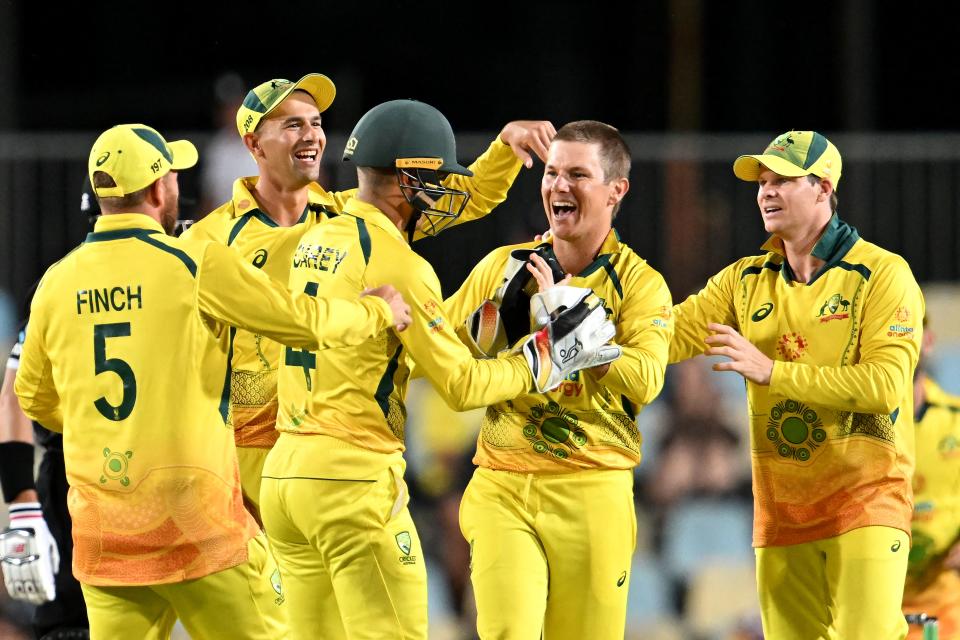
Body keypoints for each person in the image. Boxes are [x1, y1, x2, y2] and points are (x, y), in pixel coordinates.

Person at [13, 123, 411, 639]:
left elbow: (36, 400)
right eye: (174, 176)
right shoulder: (192, 262)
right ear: (159, 189)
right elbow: (301, 322)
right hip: (198, 529)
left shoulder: (56, 282)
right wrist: (374, 312)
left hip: (107, 538)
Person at [259, 100, 618, 640]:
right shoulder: (401, 262)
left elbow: (377, 348)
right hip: (350, 479)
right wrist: (546, 353)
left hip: (285, 474)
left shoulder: (313, 235)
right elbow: (462, 386)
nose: (447, 189)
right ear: (407, 178)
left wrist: (499, 155)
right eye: (438, 177)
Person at [184, 73, 556, 521]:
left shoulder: (349, 215)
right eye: (292, 125)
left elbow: (464, 195)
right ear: (254, 145)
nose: (311, 136)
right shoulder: (209, 242)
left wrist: (504, 145)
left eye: (316, 122)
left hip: (332, 449)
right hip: (248, 455)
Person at [670, 130, 925, 640]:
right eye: (762, 181)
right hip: (782, 512)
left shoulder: (882, 274)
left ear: (824, 187)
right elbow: (664, 336)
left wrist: (773, 372)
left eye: (782, 179)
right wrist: (584, 318)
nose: (765, 191)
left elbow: (883, 385)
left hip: (867, 499)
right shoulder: (744, 280)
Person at [442, 120, 672, 639]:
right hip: (503, 483)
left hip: (593, 490)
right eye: (550, 173)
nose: (558, 186)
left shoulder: (640, 285)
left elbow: (647, 379)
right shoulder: (504, 268)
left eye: (577, 175)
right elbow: (445, 345)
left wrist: (577, 325)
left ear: (617, 191)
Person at [0, 180, 101, 640]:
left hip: (71, 481)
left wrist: (22, 501)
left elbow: (14, 392)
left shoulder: (58, 281)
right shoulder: (182, 269)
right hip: (152, 481)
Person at [903, 315, 960, 640]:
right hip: (866, 605)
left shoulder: (957, 422)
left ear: (928, 341)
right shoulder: (845, 431)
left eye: (909, 330)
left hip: (945, 607)